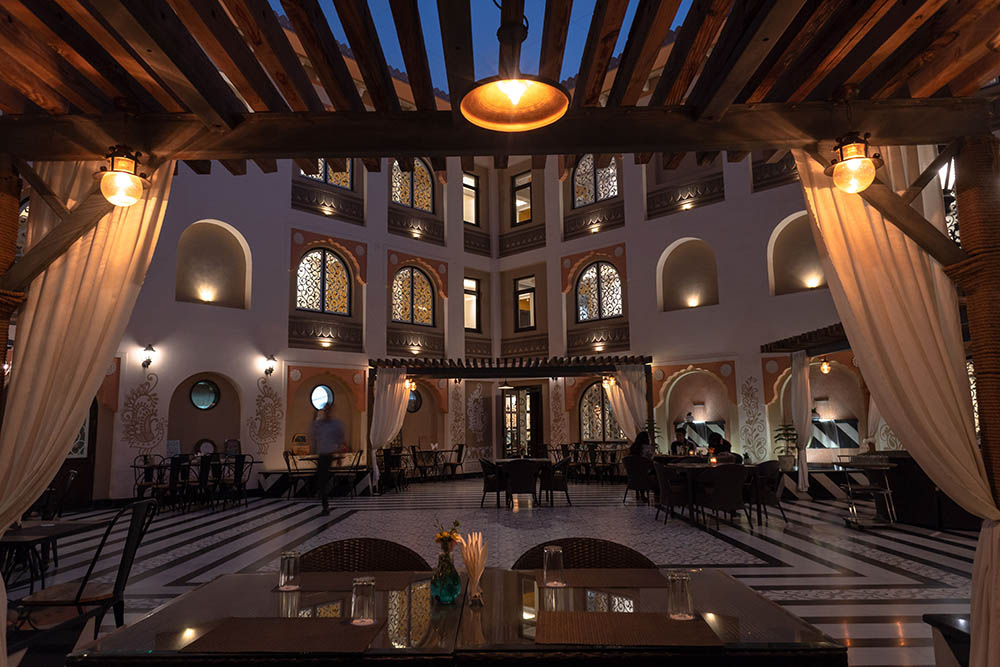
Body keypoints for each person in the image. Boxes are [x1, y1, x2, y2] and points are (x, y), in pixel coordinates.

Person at [310, 403, 346, 515]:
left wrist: (339, 457)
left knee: (323, 480)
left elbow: (340, 440)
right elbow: (314, 434)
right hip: (321, 455)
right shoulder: (320, 424)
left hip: (328, 455)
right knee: (321, 480)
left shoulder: (335, 424)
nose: (327, 412)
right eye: (325, 410)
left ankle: (325, 506)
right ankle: (324, 503)